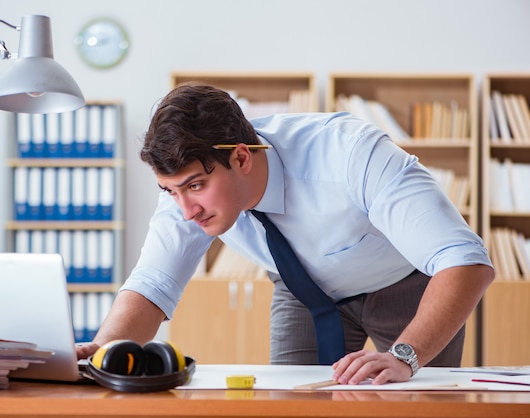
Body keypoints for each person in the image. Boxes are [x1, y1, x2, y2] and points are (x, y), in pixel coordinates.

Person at [77, 82, 494, 385]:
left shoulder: (349, 153)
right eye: (171, 191)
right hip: (304, 290)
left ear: (241, 157)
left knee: (413, 402)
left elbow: (466, 263)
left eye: (195, 186)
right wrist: (103, 353)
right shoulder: (184, 198)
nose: (186, 210)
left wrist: (405, 356)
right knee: (293, 403)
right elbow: (153, 284)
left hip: (404, 286)